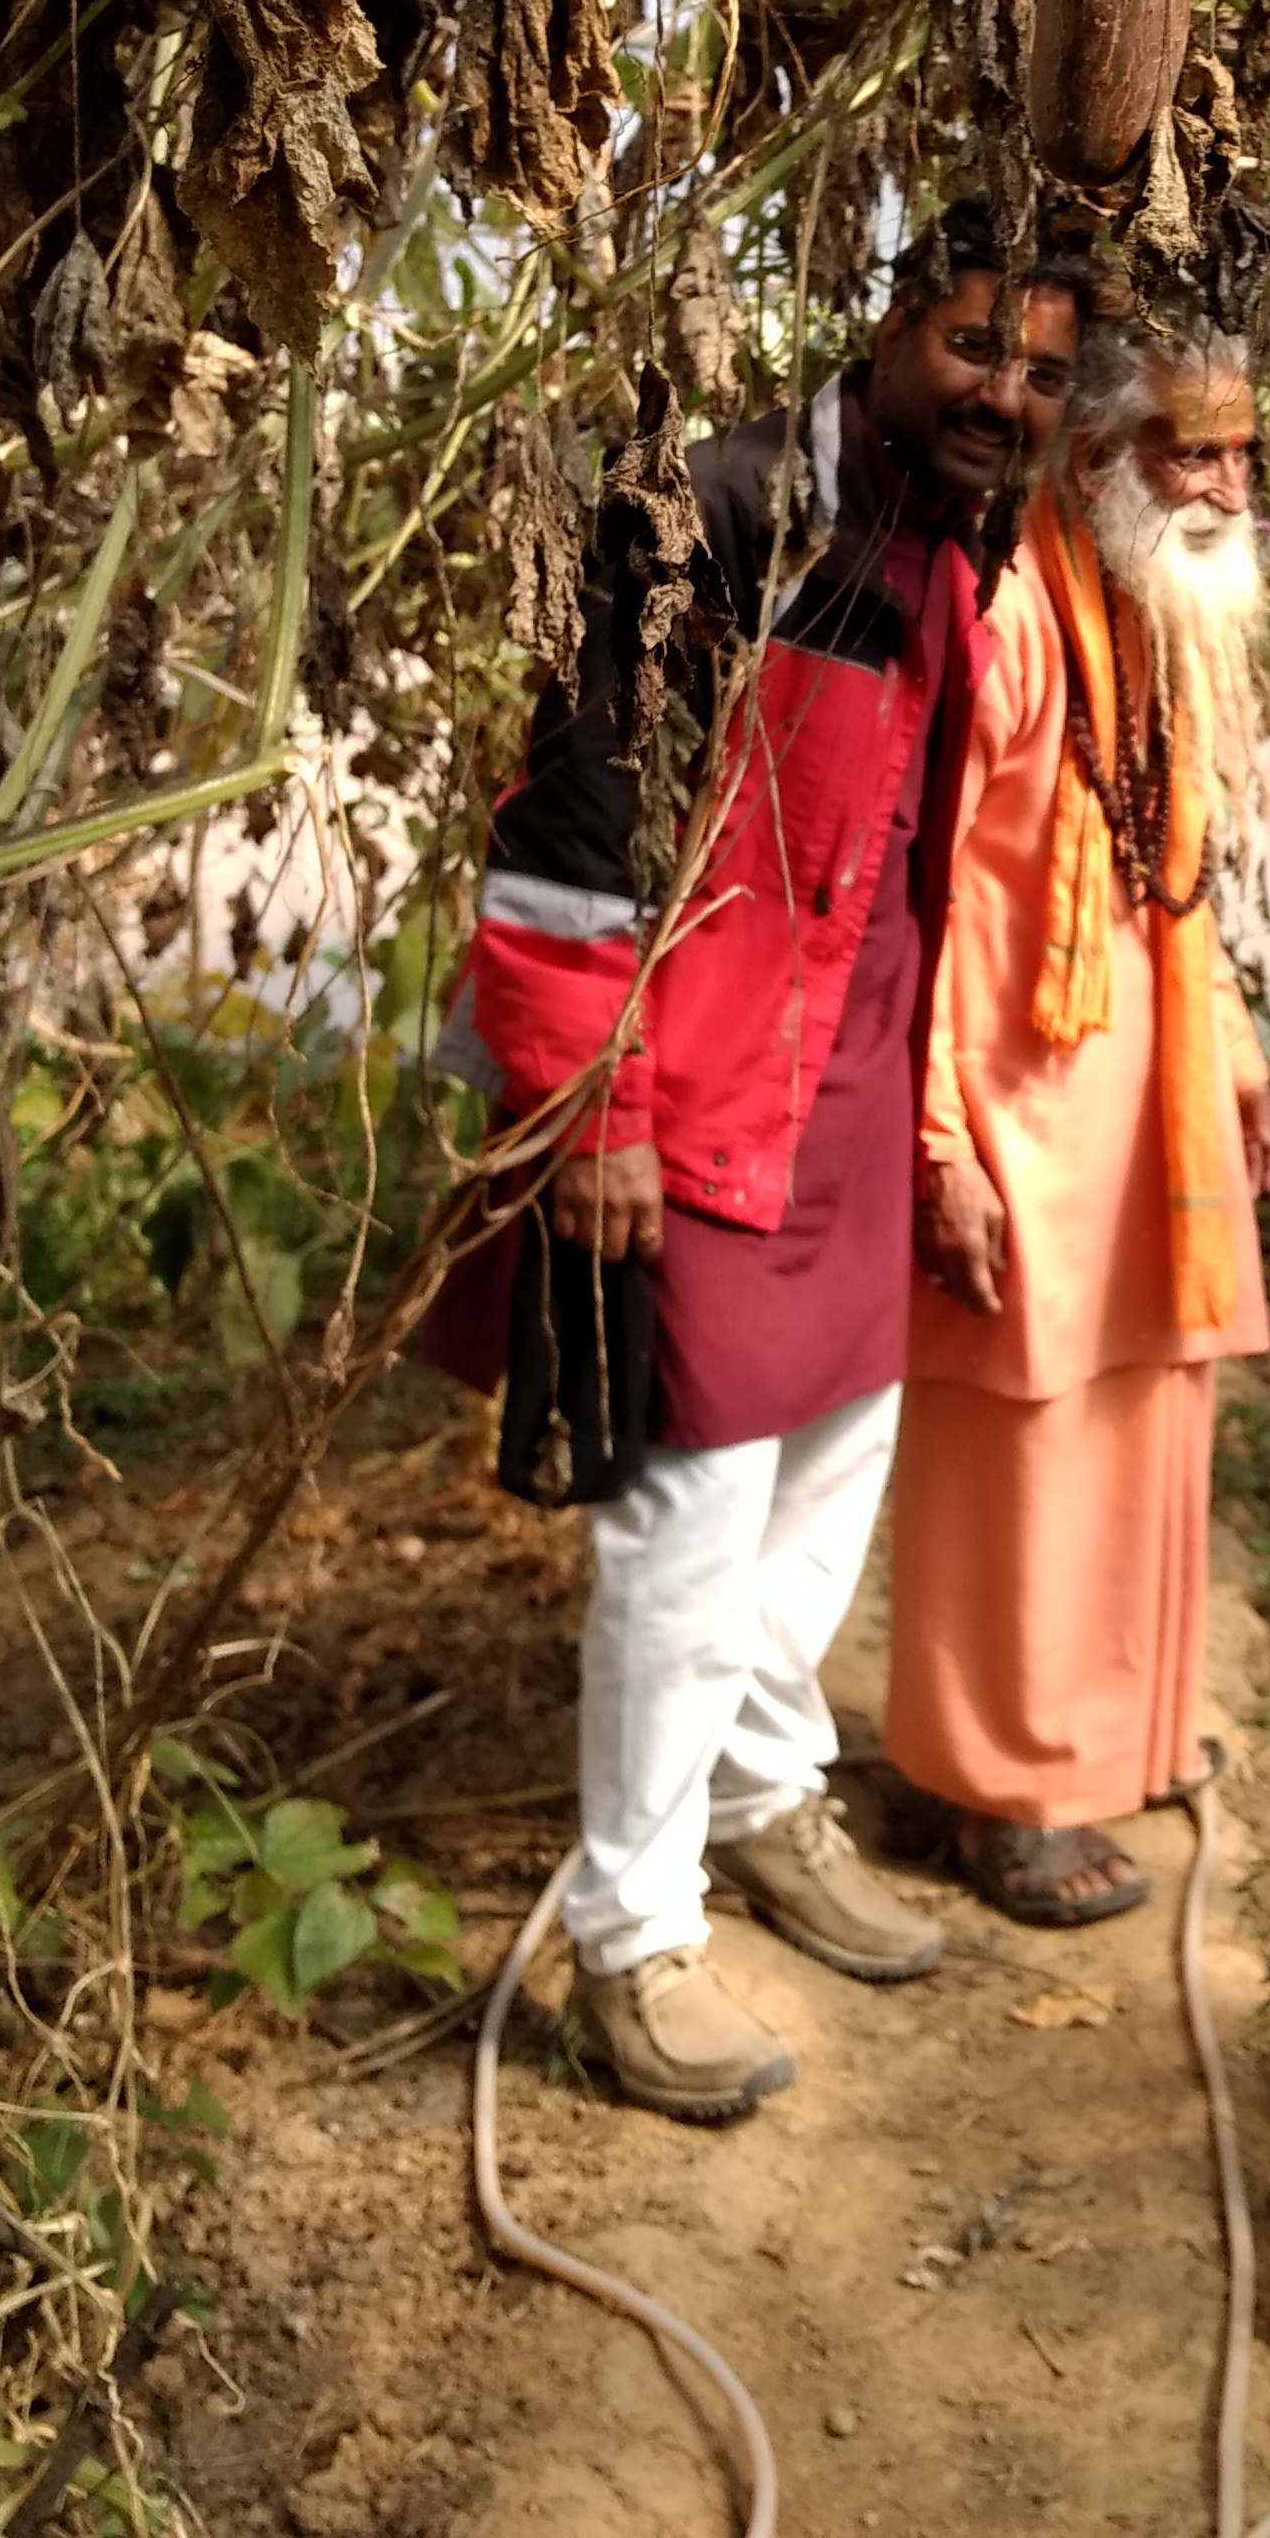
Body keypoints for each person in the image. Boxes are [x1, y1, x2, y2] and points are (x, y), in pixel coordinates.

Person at [453, 222, 1086, 2120]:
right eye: (977, 347)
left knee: (834, 1473)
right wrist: (595, 1101)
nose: (1008, 397)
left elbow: (920, 863)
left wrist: (934, 1117)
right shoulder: (723, 510)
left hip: (857, 1086)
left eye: (1047, 372)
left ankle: (759, 1797)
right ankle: (633, 1943)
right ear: (889, 325)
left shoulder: (957, 548)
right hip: (704, 1088)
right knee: (687, 1515)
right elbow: (570, 799)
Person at [893, 318, 1270, 1925]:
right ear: (1096, 459)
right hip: (1020, 1117)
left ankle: (1111, 1738)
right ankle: (1003, 1792)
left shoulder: (1164, 619)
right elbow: (913, 904)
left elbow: (1178, 888)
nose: (1220, 487)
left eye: (1240, 454)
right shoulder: (1007, 617)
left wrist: (1241, 1063)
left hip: (1155, 1110)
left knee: (1146, 1436)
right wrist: (936, 1143)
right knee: (1029, 1464)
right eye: (1186, 452)